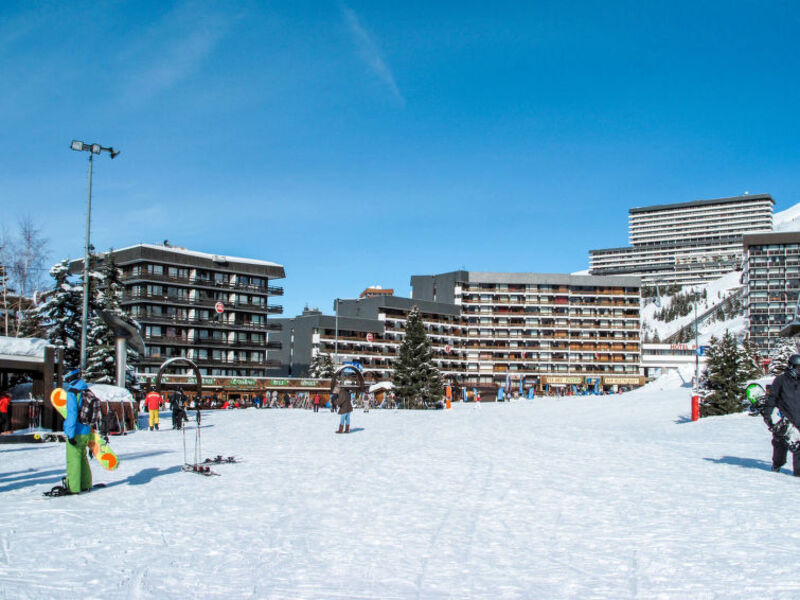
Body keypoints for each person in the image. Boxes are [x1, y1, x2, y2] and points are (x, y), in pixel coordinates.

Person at [761, 355, 800, 475]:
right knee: (780, 445)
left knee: (798, 448)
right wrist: (767, 414)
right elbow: (772, 398)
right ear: (791, 366)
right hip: (784, 419)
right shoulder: (781, 380)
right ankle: (777, 465)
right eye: (798, 367)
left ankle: (798, 474)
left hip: (798, 419)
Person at [63, 369, 93, 494]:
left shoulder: (72, 392)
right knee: (83, 458)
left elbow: (72, 414)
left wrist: (69, 433)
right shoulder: (86, 390)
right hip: (86, 430)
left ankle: (73, 487)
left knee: (73, 460)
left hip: (76, 431)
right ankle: (86, 484)